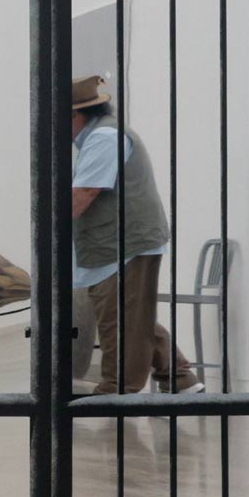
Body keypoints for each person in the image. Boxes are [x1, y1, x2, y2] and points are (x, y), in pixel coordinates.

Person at [69, 74, 199, 395]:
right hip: (118, 242)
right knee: (131, 313)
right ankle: (178, 377)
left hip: (123, 243)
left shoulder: (103, 138)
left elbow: (83, 193)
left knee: (119, 318)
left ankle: (118, 390)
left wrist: (45, 233)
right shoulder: (103, 134)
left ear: (73, 115)